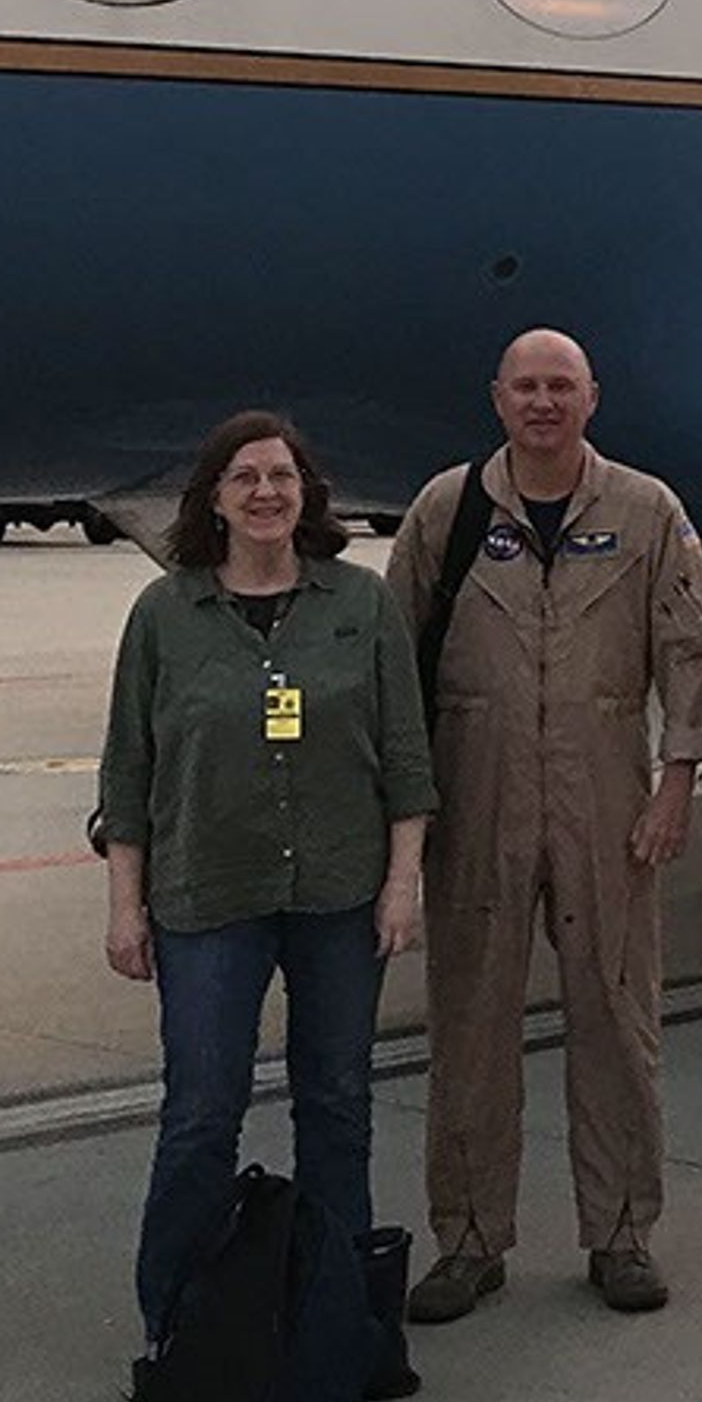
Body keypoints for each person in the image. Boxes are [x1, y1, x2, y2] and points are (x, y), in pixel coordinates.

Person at [386, 329, 702, 1325]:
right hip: (476, 797)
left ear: (592, 399)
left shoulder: (644, 510)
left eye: (561, 387)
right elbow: (392, 662)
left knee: (618, 1020)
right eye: (527, 386)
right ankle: (469, 1239)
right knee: (471, 1027)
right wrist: (407, 821)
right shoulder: (446, 513)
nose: (543, 402)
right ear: (497, 398)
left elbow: (694, 653)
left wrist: (674, 788)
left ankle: (621, 1232)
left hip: (606, 800)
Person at [98, 412, 434, 1345]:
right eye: (244, 477)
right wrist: (126, 905)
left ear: (306, 494)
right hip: (209, 897)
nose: (265, 493)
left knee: (338, 1107)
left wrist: (401, 881)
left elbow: (406, 755)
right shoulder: (166, 615)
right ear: (214, 498)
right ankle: (179, 1318)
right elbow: (128, 768)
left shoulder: (360, 605)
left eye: (281, 476)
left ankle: (340, 1320)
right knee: (202, 1114)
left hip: (338, 893)